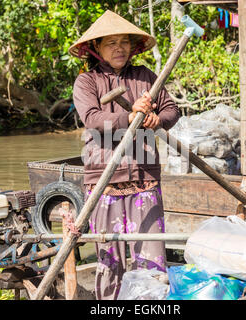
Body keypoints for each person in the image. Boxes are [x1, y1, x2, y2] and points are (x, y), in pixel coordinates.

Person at [69, 10, 180, 300]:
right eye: (111, 43)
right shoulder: (87, 82)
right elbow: (93, 119)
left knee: (152, 258)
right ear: (96, 49)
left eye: (124, 42)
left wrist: (158, 119)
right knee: (110, 262)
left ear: (132, 47)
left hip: (144, 178)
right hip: (103, 179)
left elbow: (171, 109)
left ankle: (151, 303)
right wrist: (129, 116)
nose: (119, 48)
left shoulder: (146, 77)